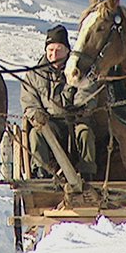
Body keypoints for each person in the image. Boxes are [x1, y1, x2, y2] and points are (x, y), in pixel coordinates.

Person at [20, 24, 97, 180]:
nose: (54, 55)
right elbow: (29, 101)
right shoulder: (34, 75)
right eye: (50, 50)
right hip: (49, 123)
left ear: (67, 51)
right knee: (36, 134)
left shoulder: (79, 71)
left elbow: (88, 91)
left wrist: (78, 107)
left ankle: (87, 174)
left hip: (74, 122)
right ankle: (42, 173)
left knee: (85, 133)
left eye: (58, 50)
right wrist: (37, 115)